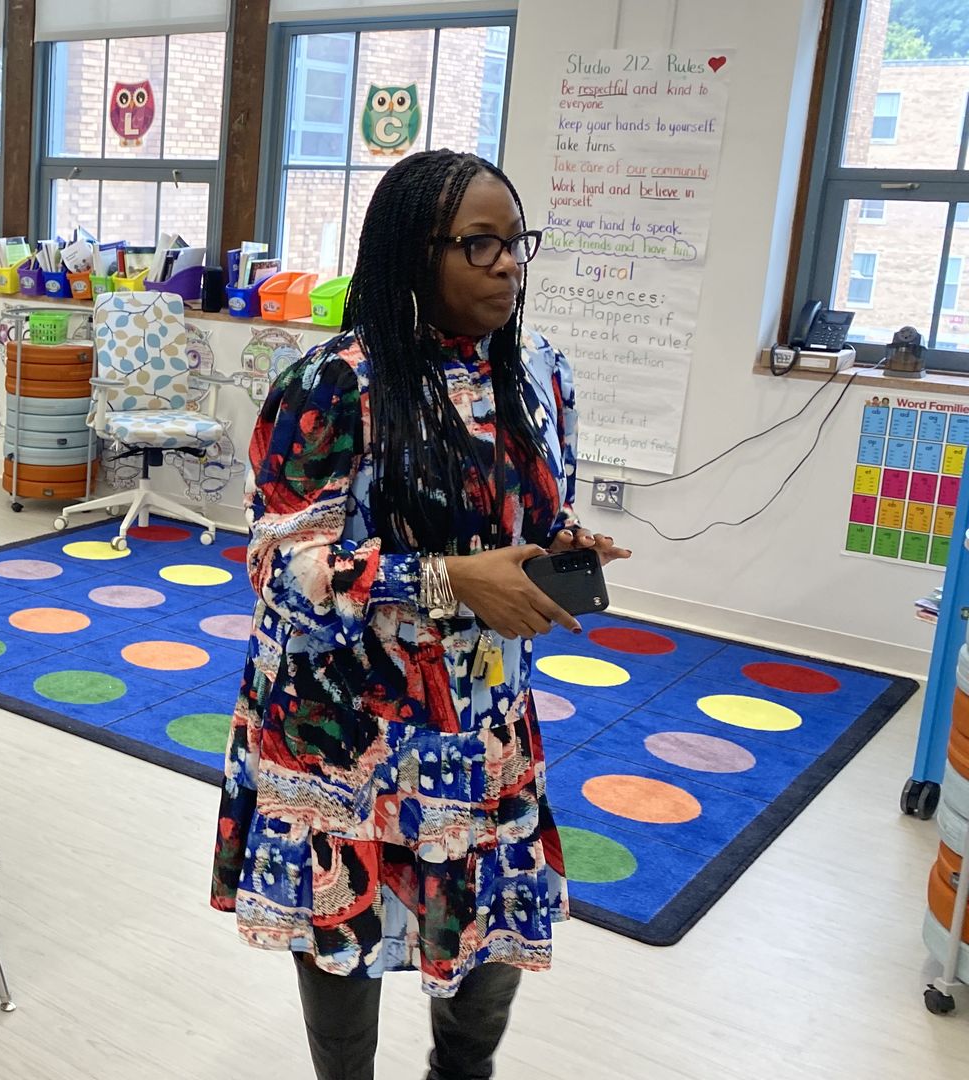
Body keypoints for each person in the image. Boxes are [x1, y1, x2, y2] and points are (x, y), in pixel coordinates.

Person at [209, 148, 631, 1080]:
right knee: (343, 934)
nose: (507, 264)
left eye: (516, 243)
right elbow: (282, 565)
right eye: (479, 245)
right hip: (338, 733)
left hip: (480, 724)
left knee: (488, 951)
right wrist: (447, 580)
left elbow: (526, 507)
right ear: (410, 253)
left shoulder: (539, 374)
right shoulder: (335, 384)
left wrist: (561, 546)